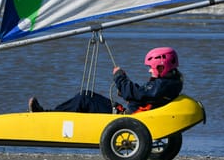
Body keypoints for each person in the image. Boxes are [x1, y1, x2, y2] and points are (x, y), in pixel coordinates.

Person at [28, 47, 183, 114]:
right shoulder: (171, 83)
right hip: (132, 111)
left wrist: (119, 77)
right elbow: (140, 95)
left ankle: (47, 115)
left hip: (129, 117)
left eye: (151, 67)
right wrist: (125, 90)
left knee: (84, 97)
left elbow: (137, 93)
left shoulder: (162, 85)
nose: (149, 70)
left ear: (162, 66)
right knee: (87, 95)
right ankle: (52, 113)